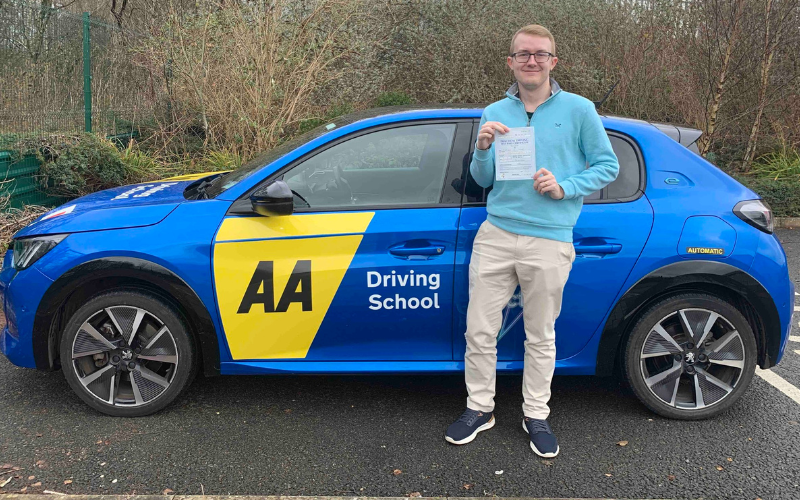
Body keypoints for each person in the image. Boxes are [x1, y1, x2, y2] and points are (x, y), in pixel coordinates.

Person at [444, 24, 620, 457]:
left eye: (540, 54)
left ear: (553, 62)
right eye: (523, 54)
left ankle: (535, 413)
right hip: (497, 233)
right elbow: (483, 180)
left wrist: (565, 186)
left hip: (550, 239)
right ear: (511, 61)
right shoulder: (493, 111)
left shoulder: (580, 109)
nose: (531, 61)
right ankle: (479, 408)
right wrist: (483, 149)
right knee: (479, 331)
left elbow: (607, 166)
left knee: (540, 335)